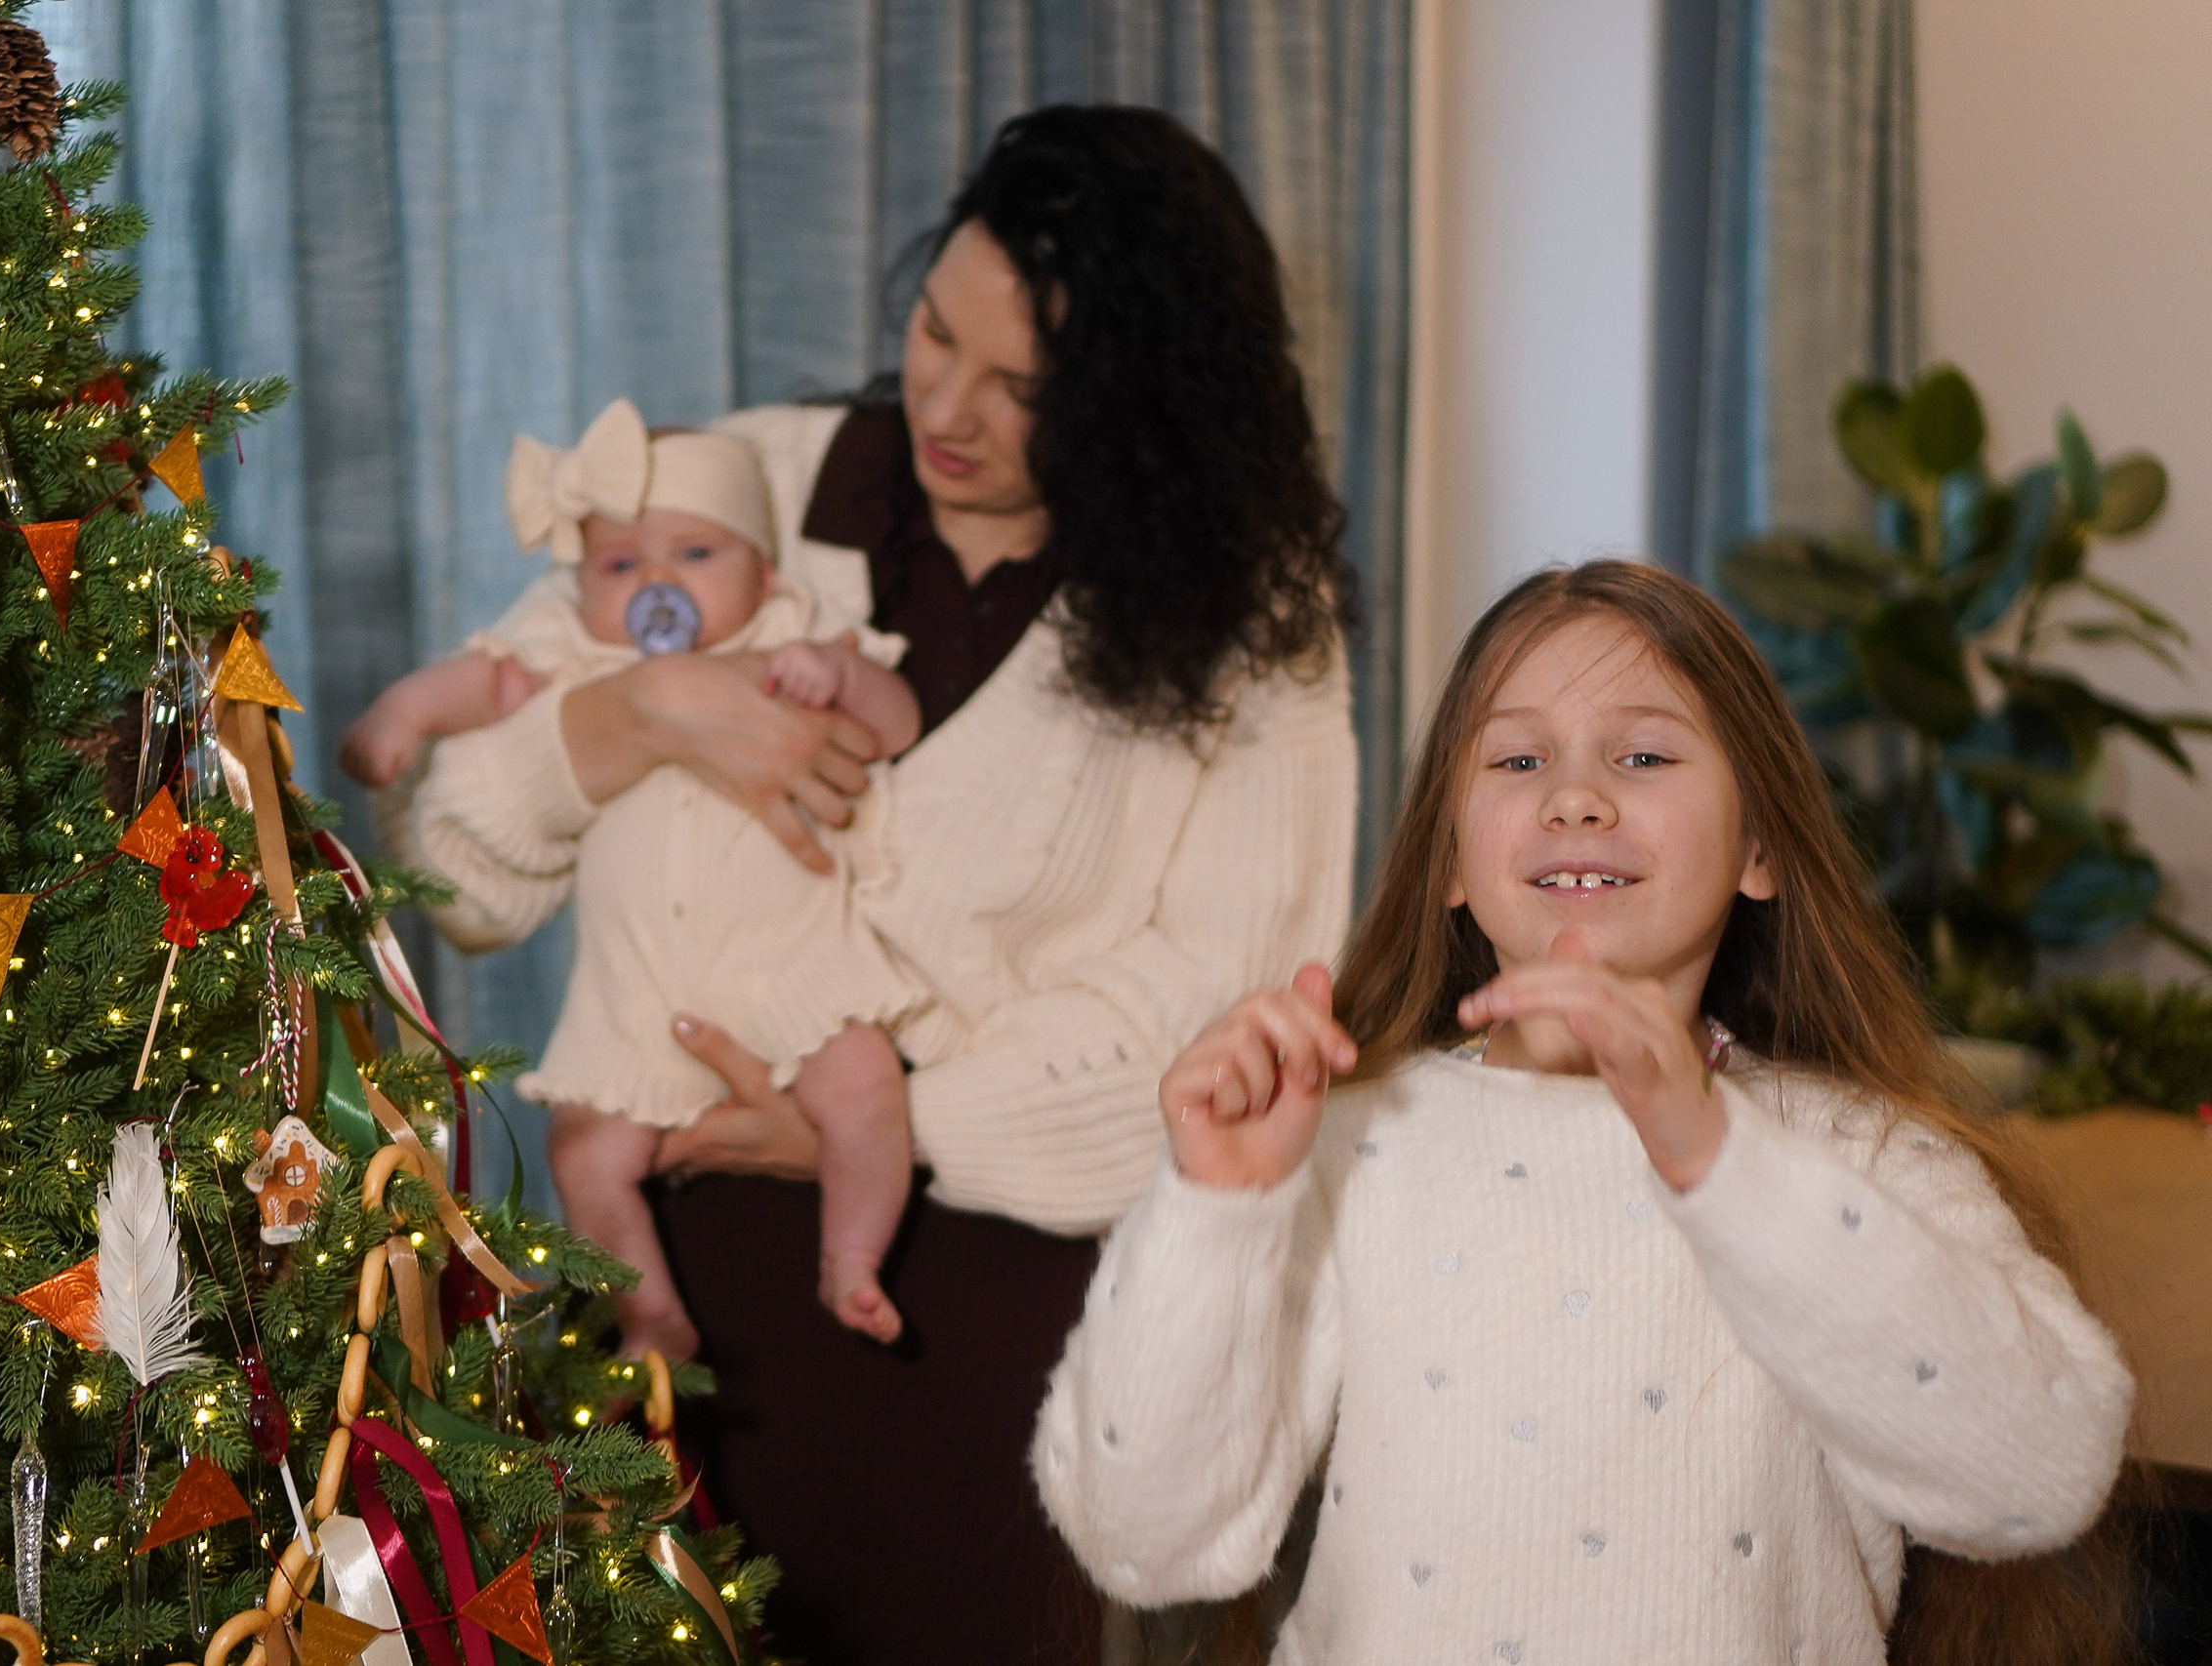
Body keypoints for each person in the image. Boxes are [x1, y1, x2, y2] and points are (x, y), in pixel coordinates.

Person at [388, 105, 1359, 1661]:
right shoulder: (753, 486)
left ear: (1137, 408)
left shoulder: (1249, 620)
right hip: (657, 1288)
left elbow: (1229, 1018)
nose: (946, 406)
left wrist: (883, 1109)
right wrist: (631, 717)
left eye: (1020, 387)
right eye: (930, 330)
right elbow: (454, 868)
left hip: (979, 1331)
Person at [1034, 561, 2133, 1663]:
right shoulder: (1345, 1146)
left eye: (1643, 755)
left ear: (1761, 849)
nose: (1574, 796)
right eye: (1517, 760)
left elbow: (2039, 1476)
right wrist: (1215, 1208)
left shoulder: (1868, 1159)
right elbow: (1145, 1546)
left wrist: (1715, 1157)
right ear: (1452, 863)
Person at [343, 398, 925, 1357]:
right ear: (585, 587)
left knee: (864, 1090)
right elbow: (482, 684)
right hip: (638, 991)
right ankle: (648, 1311)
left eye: (697, 556)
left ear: (765, 573)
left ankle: (851, 1259)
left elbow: (895, 722)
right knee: (584, 1149)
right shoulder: (580, 655)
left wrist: (838, 675)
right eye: (622, 565)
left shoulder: (797, 637)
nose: (660, 583)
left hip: (794, 964)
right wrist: (402, 718)